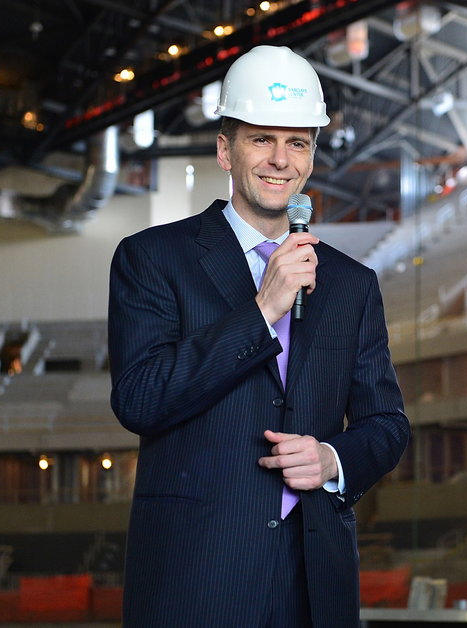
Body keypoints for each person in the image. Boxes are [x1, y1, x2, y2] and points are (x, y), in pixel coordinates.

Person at [108, 45, 410, 627]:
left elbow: (387, 424)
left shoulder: (351, 284)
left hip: (314, 586)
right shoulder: (152, 258)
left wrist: (330, 457)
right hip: (197, 581)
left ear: (312, 158)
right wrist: (261, 309)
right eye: (260, 139)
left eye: (297, 142)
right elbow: (140, 399)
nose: (280, 159)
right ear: (226, 149)